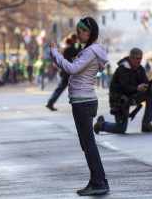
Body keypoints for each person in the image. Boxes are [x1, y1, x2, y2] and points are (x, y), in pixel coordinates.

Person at [49, 17, 109, 196]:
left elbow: (72, 69)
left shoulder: (90, 51)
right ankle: (97, 180)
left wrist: (55, 53)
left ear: (91, 33)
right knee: (86, 143)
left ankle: (99, 182)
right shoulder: (90, 51)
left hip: (83, 102)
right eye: (78, 29)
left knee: (88, 144)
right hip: (83, 100)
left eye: (83, 30)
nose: (79, 33)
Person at [94, 48, 152, 134]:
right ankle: (101, 125)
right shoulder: (122, 69)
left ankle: (146, 124)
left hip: (132, 97)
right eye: (136, 58)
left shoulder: (140, 69)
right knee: (120, 129)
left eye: (140, 58)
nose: (139, 61)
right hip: (120, 100)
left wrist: (148, 85)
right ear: (131, 58)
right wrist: (137, 88)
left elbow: (144, 82)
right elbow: (124, 87)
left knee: (151, 93)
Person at [46, 34, 80, 111]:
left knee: (61, 89)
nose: (77, 41)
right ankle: (77, 105)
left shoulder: (66, 49)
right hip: (69, 73)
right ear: (74, 40)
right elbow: (78, 53)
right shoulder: (72, 49)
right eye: (76, 40)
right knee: (76, 89)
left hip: (66, 72)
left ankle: (50, 102)